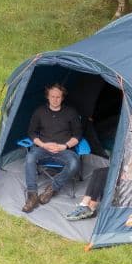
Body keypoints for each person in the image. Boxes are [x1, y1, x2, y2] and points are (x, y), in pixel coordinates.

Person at [22, 82, 82, 211]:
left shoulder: (71, 112)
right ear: (47, 97)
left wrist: (64, 146)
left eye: (58, 97)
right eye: (52, 96)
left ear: (62, 97)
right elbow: (31, 132)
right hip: (43, 148)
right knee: (30, 158)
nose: (55, 99)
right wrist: (43, 144)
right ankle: (32, 196)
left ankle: (52, 189)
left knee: (74, 163)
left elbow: (77, 135)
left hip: (63, 150)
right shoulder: (39, 111)